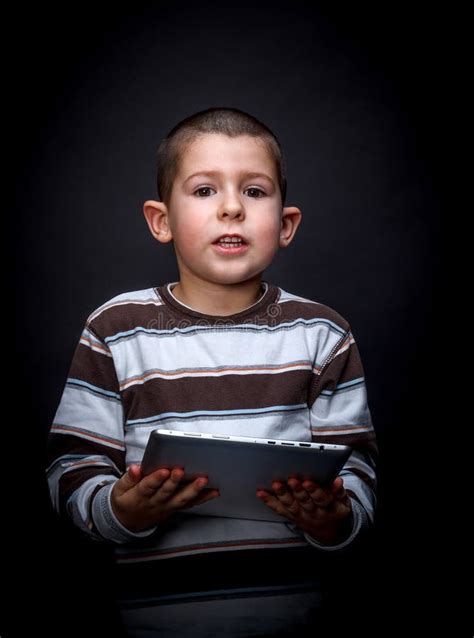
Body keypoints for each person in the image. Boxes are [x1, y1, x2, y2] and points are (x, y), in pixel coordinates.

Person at [46, 106, 377, 637]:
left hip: (298, 621)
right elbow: (71, 470)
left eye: (254, 191)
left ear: (286, 224)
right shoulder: (115, 330)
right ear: (161, 220)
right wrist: (122, 511)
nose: (231, 209)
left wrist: (333, 518)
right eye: (204, 191)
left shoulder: (323, 335)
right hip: (154, 624)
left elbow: (357, 474)